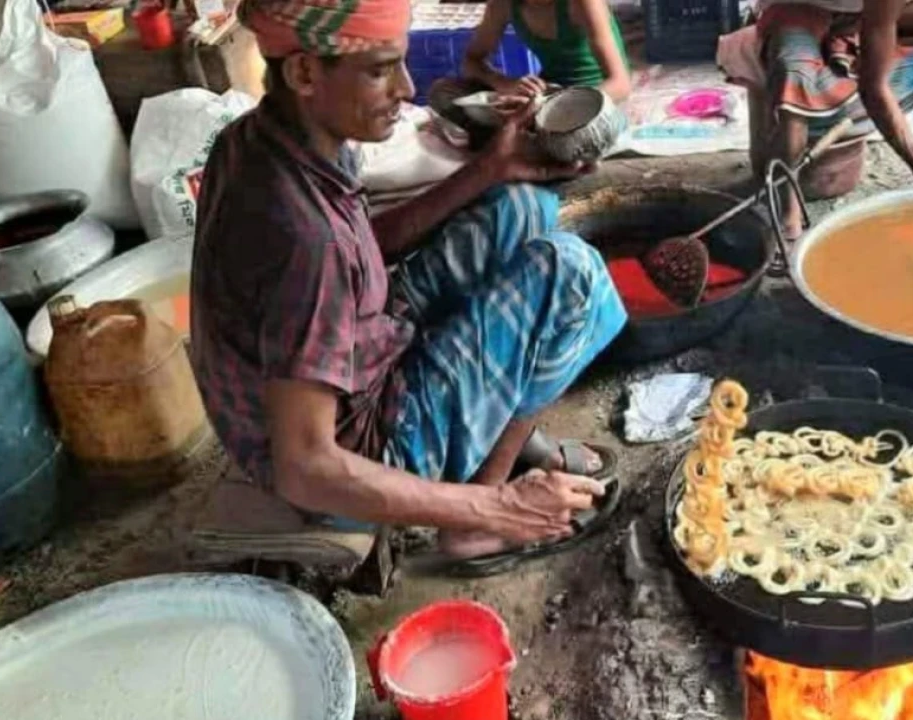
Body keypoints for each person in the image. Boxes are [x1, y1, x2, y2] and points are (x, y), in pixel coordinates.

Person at [190, 0, 628, 567]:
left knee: (521, 206)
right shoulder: (304, 239)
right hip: (355, 457)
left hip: (362, 352)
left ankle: (500, 440)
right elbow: (305, 466)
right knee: (571, 276)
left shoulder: (263, 138)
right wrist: (495, 508)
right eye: (380, 70)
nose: (407, 87)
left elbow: (362, 252)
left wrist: (491, 169)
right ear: (303, 72)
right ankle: (480, 518)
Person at [721, 0, 913, 238]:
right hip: (801, 5)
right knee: (794, 74)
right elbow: (873, 87)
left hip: (866, 8)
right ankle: (788, 211)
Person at [429, 0, 631, 145]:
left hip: (590, 103)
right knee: (444, 92)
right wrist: (505, 84)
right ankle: (520, 141)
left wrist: (548, 105)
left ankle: (516, 142)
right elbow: (471, 62)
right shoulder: (504, 4)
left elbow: (620, 84)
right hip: (543, 96)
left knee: (577, 138)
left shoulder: (583, 3)